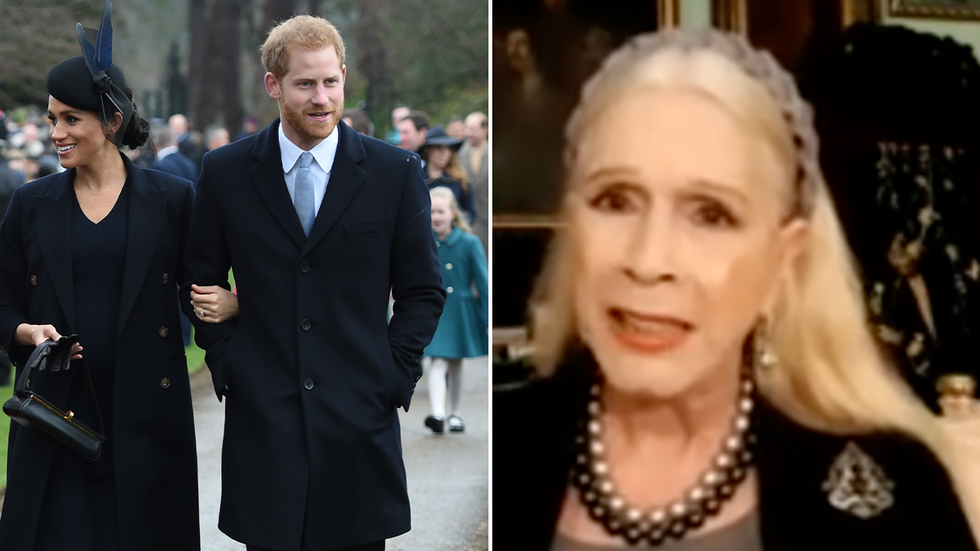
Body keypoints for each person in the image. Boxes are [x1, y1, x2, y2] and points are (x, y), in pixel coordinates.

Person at [493, 29, 980, 550]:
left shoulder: (897, 497)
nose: (649, 260)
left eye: (711, 215)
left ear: (783, 260)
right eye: (615, 200)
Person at [180, 14, 446, 551]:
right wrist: (232, 365)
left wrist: (393, 373)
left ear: (344, 75)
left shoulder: (395, 173)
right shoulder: (226, 173)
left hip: (359, 420)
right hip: (265, 423)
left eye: (331, 81)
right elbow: (197, 281)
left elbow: (423, 290)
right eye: (305, 83)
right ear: (274, 85)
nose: (321, 97)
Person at [0, 2, 200, 549]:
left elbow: (196, 289)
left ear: (111, 120)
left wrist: (225, 306)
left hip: (147, 417)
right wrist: (25, 333)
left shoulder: (173, 200)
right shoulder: (29, 203)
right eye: (51, 118)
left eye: (71, 118)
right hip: (54, 416)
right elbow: (3, 301)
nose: (56, 132)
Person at [423, 187, 488, 434]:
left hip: (461, 311)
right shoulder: (422, 240)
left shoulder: (469, 242)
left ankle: (455, 414)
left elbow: (483, 282)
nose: (435, 217)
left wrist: (489, 316)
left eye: (440, 211)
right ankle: (438, 413)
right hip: (434, 311)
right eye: (431, 212)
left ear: (452, 213)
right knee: (437, 361)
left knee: (454, 364)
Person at [420, 124, 475, 223]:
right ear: (428, 150)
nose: (443, 152)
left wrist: (456, 227)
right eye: (438, 147)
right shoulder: (418, 179)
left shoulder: (458, 179)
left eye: (447, 148)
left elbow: (470, 213)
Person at [459, 111, 488, 254]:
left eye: (473, 129)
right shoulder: (458, 155)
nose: (469, 133)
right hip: (467, 224)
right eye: (467, 129)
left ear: (485, 129)